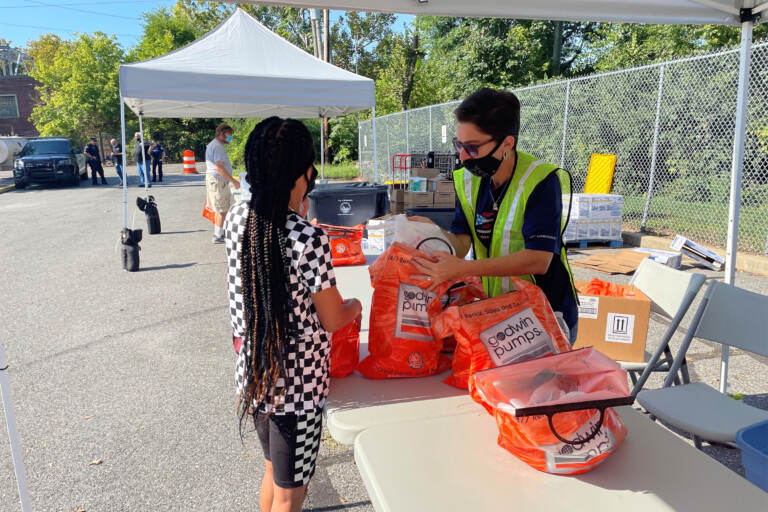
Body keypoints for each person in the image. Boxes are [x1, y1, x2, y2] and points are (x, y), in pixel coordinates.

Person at [223, 117, 362, 512]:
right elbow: (334, 318)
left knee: (273, 473)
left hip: (255, 374)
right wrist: (356, 306)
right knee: (291, 491)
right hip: (297, 389)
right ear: (303, 174)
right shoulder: (308, 237)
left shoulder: (237, 218)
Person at [410, 88, 579, 343]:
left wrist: (462, 269)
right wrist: (434, 235)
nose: (463, 156)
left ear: (507, 143)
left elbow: (538, 259)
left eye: (473, 147)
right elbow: (462, 241)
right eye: (459, 145)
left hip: (545, 314)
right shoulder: (467, 181)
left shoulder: (540, 181)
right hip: (500, 312)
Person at [206, 123, 240, 243]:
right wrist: (233, 181)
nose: (230, 138)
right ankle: (218, 236)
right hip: (218, 181)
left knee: (219, 209)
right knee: (222, 210)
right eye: (229, 135)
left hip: (216, 180)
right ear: (221, 134)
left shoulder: (215, 145)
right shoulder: (218, 147)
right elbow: (219, 168)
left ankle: (218, 232)